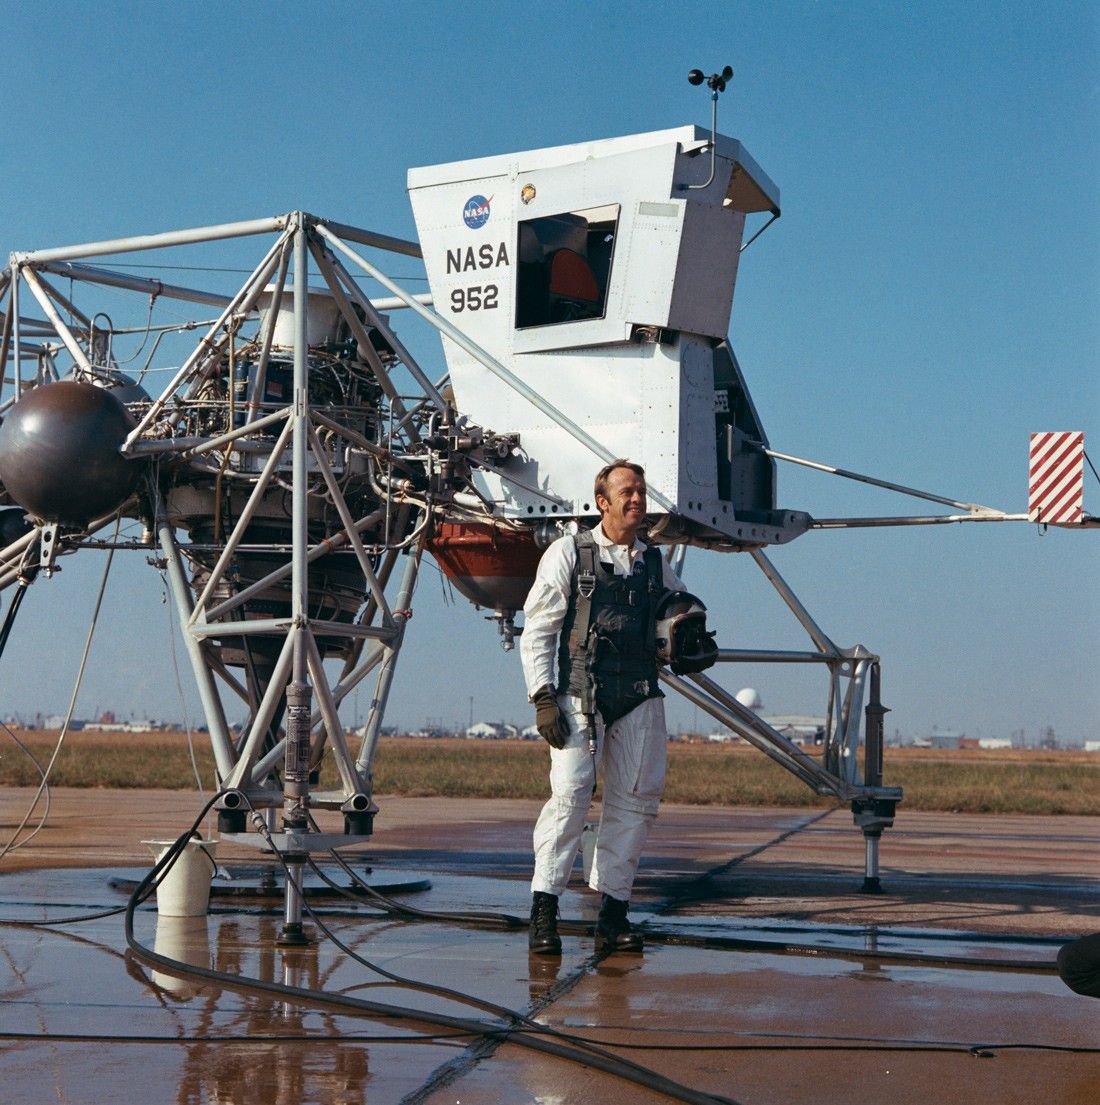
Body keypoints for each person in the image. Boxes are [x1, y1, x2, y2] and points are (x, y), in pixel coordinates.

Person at [519, 459, 687, 955]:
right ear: (603, 502)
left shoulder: (654, 563)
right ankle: (544, 912)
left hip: (637, 694)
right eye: (627, 492)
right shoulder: (569, 552)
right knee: (571, 794)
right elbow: (540, 628)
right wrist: (542, 695)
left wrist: (691, 633)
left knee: (636, 799)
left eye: (641, 491)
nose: (637, 499)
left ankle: (613, 913)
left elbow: (681, 609)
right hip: (579, 693)